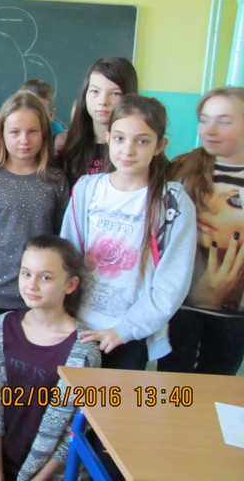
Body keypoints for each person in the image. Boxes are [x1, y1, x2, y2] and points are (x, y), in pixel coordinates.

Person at [0, 91, 69, 445]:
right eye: (15, 132)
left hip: (41, 299)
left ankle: (23, 447)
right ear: (2, 134)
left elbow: (63, 239)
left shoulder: (55, 180)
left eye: (32, 131)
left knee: (35, 378)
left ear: (44, 134)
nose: (24, 140)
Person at [61, 95, 196, 369]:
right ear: (108, 138)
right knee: (70, 396)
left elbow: (173, 281)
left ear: (160, 146)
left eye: (142, 141)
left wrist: (124, 331)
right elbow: (67, 256)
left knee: (114, 397)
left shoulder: (172, 203)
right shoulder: (88, 189)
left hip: (130, 335)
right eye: (120, 138)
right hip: (77, 327)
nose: (128, 150)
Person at [0, 235, 101, 481]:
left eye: (45, 277)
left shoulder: (84, 350)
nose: (31, 285)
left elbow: (75, 430)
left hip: (50, 474)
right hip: (1, 463)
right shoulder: (3, 326)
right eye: (26, 274)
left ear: (70, 285)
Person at [158, 87, 244, 375]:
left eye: (224, 121)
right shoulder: (182, 168)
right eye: (205, 120)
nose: (210, 129)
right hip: (180, 307)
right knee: (173, 384)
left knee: (217, 386)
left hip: (234, 317)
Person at [61, 57, 138, 187]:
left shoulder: (135, 150)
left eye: (115, 93)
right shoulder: (68, 145)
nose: (103, 101)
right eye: (95, 91)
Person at [19, 79, 68, 155]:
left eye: (39, 111)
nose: (30, 116)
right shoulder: (4, 127)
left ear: (50, 115)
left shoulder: (57, 134)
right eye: (25, 108)